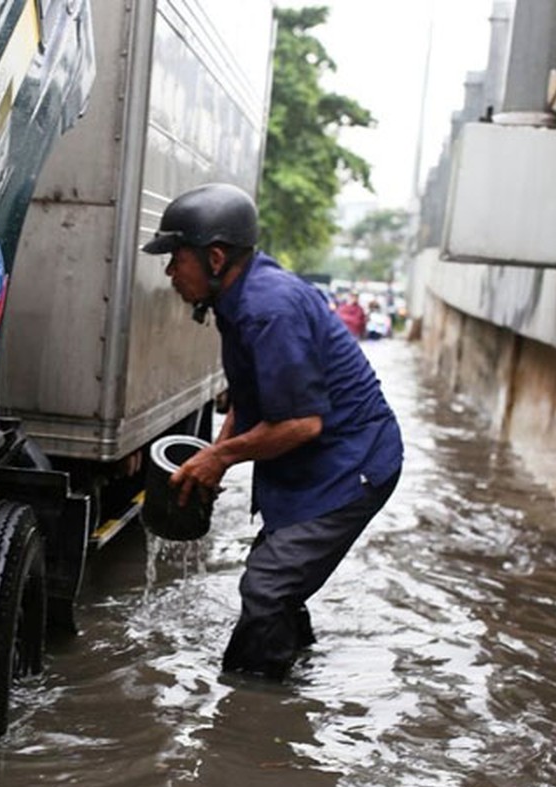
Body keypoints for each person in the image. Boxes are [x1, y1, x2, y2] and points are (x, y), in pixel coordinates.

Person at [142, 183, 403, 679]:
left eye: (176, 258)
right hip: (320, 460)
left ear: (215, 258)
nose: (171, 272)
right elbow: (251, 396)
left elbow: (303, 423)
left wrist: (221, 458)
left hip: (353, 464)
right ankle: (295, 672)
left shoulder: (269, 308)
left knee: (266, 586)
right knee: (276, 578)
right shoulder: (238, 302)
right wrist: (216, 454)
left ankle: (253, 713)